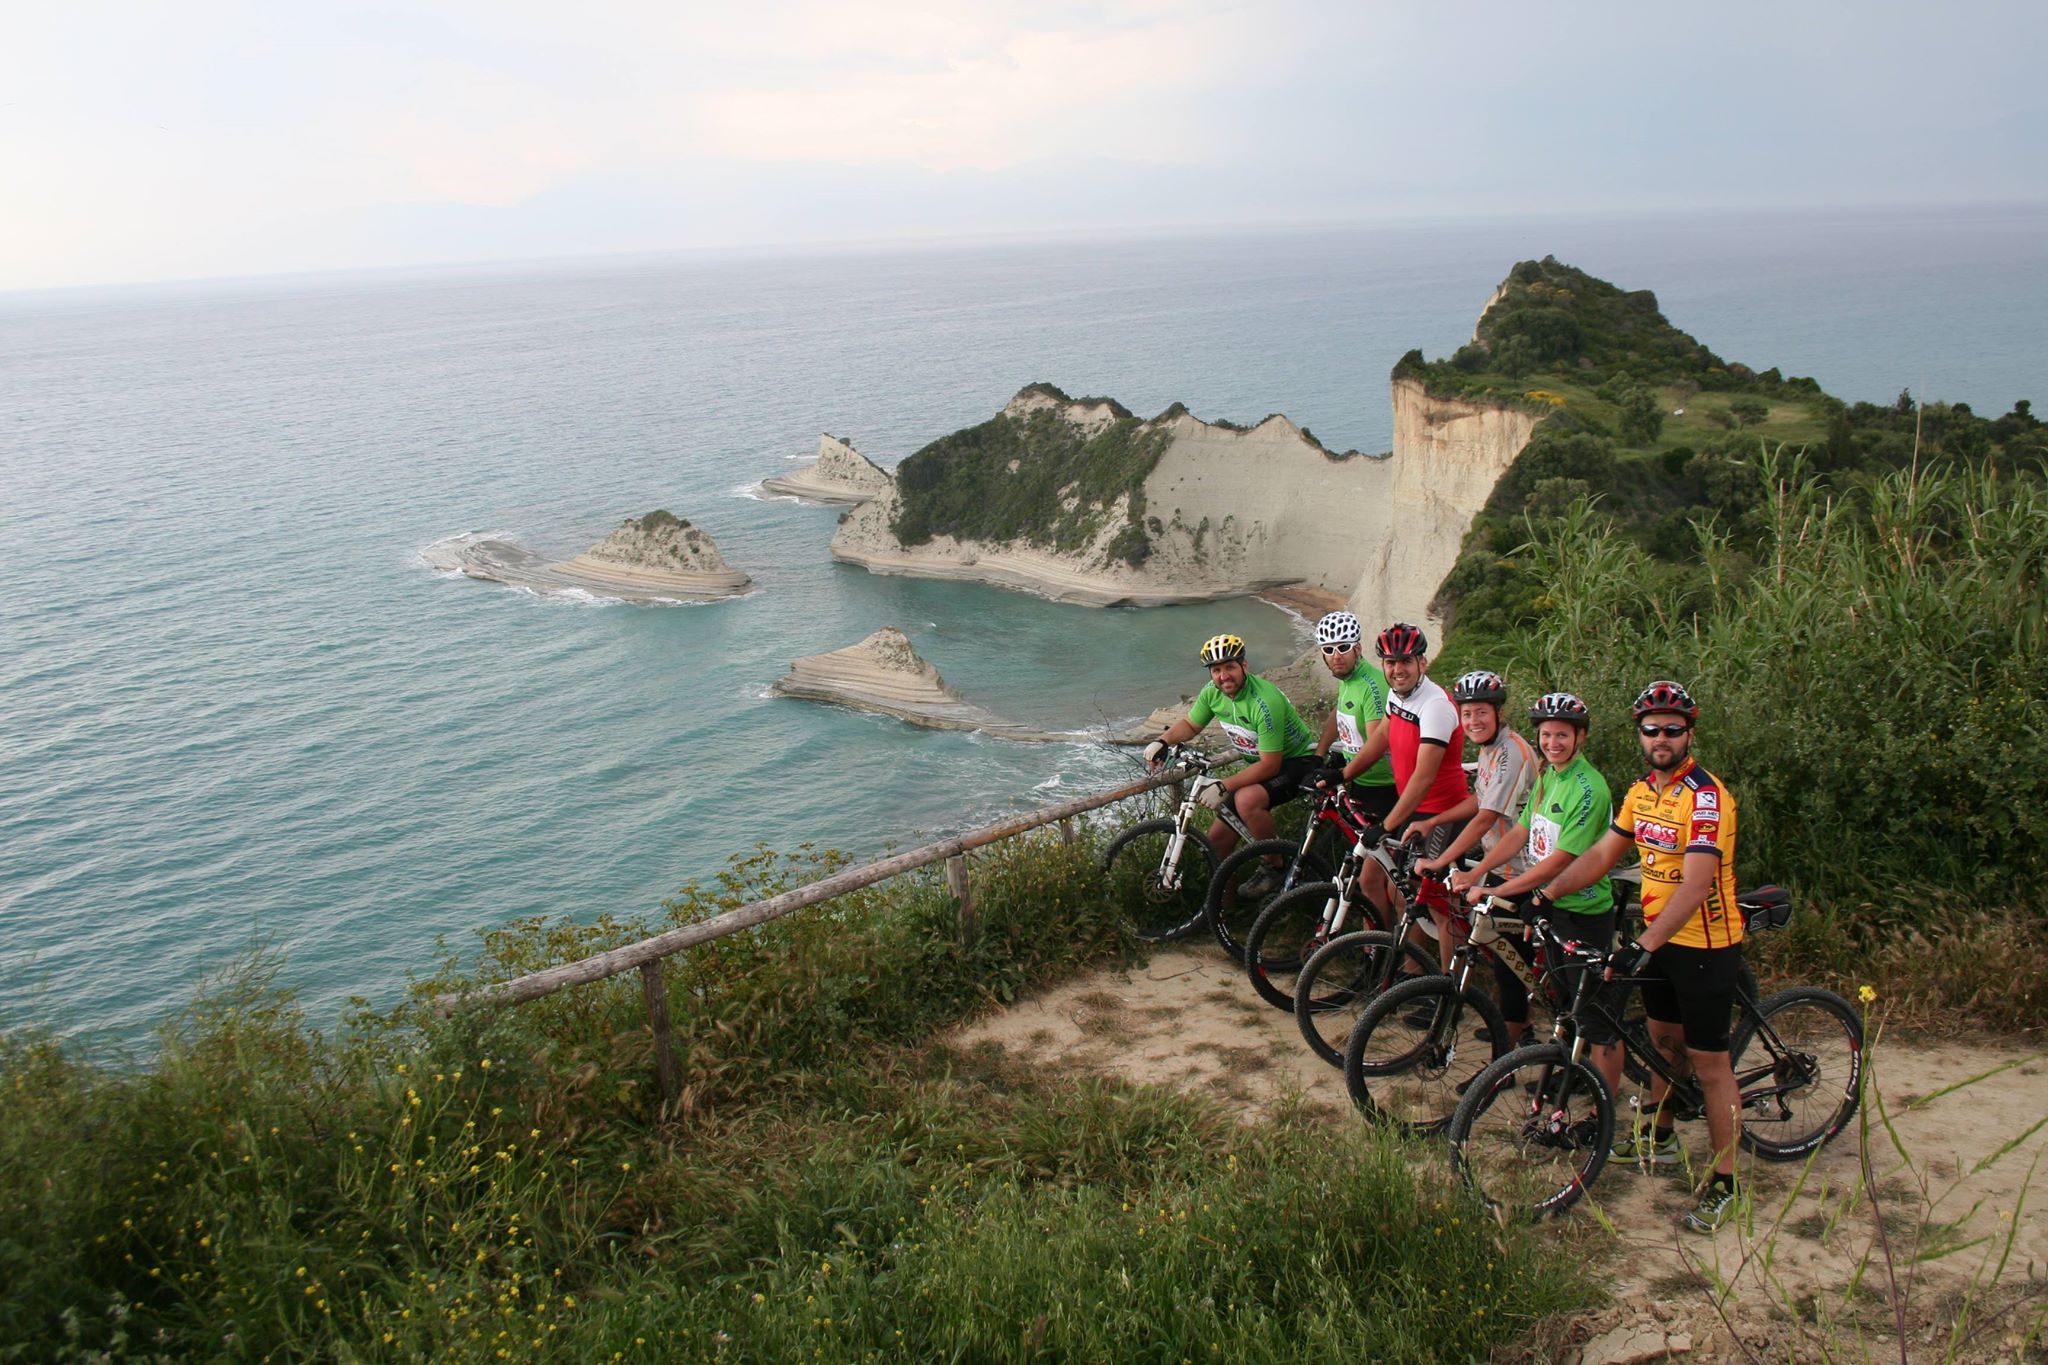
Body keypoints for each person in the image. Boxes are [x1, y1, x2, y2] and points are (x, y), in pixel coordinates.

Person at [1539, 680, 1745, 1234]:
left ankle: (1726, 1181)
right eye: (1651, 729)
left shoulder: (1706, 797)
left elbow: (1697, 884)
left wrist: (1642, 946)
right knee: (1661, 1043)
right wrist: (1547, 894)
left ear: (1688, 735)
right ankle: (1659, 1133)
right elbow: (1605, 854)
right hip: (1660, 940)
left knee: (1710, 1064)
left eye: (1672, 729)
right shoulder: (1640, 793)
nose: (1661, 737)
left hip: (1706, 945)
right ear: (1640, 734)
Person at [1451, 691, 1615, 1043]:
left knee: (1584, 1010)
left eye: (1562, 735)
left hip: (1580, 907)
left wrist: (1497, 889)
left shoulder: (1589, 789)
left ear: (1580, 737)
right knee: (1560, 998)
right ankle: (1556, 1060)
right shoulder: (1549, 775)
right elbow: (1520, 834)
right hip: (1552, 903)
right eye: (1546, 735)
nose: (1552, 743)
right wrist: (1477, 871)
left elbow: (1561, 860)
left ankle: (1586, 1077)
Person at [1340, 623, 1476, 965]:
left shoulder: (1436, 707)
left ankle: (1439, 987)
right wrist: (1343, 772)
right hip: (1414, 812)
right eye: (1390, 662)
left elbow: (1424, 777)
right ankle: (1393, 962)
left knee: (1435, 904)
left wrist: (1386, 825)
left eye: (1406, 661)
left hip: (1441, 813)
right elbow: (1383, 735)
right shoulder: (1397, 694)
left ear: (1422, 663)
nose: (1397, 669)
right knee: (1382, 885)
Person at [1144, 633, 1319, 894]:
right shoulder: (1212, 693)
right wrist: (1163, 741)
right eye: (1216, 670)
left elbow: (1271, 766)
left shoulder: (1264, 702)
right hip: (1263, 765)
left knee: (1246, 800)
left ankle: (1276, 866)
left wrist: (1224, 785)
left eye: (1230, 667)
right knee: (1216, 846)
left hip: (1297, 762)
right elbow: (1192, 724)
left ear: (1244, 666)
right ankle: (1221, 912)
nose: (1224, 675)